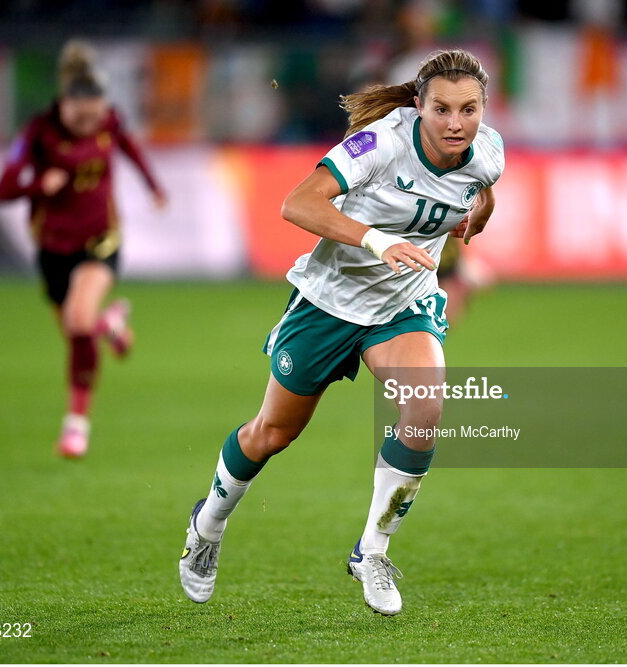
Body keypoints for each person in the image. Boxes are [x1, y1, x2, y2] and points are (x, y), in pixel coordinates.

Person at [179, 49, 504, 616]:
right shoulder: (381, 143)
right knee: (272, 434)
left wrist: (477, 218)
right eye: (443, 110)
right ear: (419, 107)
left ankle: (372, 551)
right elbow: (297, 203)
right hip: (328, 303)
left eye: (469, 109)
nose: (457, 123)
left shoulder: (488, 152)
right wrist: (379, 241)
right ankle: (207, 524)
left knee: (425, 406)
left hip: (402, 306)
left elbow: (483, 190)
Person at [0, 39, 165, 459]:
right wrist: (38, 184)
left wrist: (154, 187)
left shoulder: (110, 121)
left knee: (76, 320)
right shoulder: (38, 132)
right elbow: (2, 188)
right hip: (52, 249)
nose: (90, 125)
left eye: (96, 116)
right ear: (64, 106)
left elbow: (132, 150)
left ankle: (76, 427)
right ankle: (111, 323)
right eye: (81, 117)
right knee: (80, 330)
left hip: (99, 241)